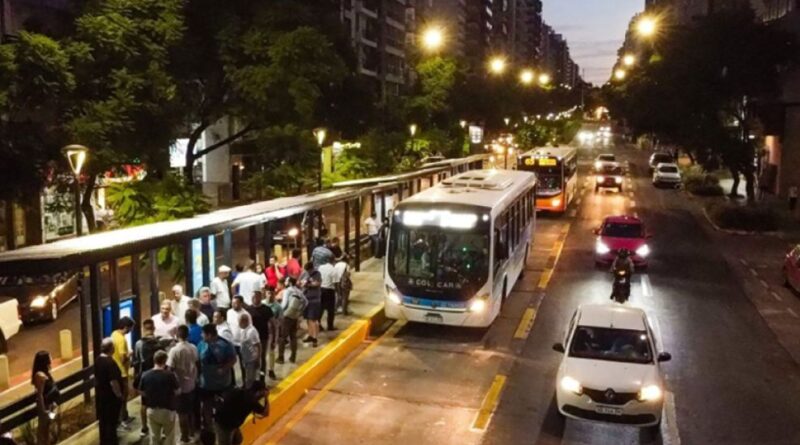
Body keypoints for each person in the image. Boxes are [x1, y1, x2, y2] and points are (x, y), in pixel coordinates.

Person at [197, 324, 237, 433]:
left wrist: (224, 369)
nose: (201, 335)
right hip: (206, 383)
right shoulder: (201, 344)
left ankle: (222, 424)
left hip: (222, 382)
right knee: (206, 404)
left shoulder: (225, 344)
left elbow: (233, 359)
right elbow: (197, 360)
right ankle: (208, 426)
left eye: (203, 334)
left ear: (209, 335)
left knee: (223, 404)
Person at [167, 325, 199, 444]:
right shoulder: (193, 348)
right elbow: (197, 363)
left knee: (182, 413)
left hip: (180, 386)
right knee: (191, 410)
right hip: (192, 383)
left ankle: (184, 436)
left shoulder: (174, 350)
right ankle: (192, 432)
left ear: (177, 335)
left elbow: (169, 369)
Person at [139, 351, 179, 445]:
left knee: (154, 437)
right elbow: (177, 391)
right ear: (165, 360)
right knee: (170, 437)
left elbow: (141, 392)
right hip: (167, 410)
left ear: (154, 360)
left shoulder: (145, 374)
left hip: (152, 409)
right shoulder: (170, 375)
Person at [213, 381, 269, 445]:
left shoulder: (245, 392)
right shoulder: (251, 401)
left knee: (238, 439)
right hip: (224, 424)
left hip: (229, 420)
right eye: (263, 392)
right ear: (259, 392)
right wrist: (266, 398)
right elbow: (265, 413)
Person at [133, 319, 163, 438]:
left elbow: (136, 361)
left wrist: (137, 377)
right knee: (159, 402)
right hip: (159, 375)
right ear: (154, 328)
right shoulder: (159, 342)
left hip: (144, 376)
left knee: (144, 403)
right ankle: (160, 429)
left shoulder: (139, 344)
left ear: (144, 329)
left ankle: (144, 427)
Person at [96, 338, 124, 445]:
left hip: (101, 397)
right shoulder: (110, 363)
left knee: (103, 421)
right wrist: (119, 395)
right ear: (111, 348)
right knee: (111, 422)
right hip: (111, 398)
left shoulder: (98, 360)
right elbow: (113, 382)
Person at [111, 316, 135, 428]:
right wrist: (129, 354)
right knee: (123, 396)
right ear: (126, 327)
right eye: (131, 328)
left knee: (120, 397)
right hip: (122, 371)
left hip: (116, 370)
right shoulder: (121, 339)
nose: (131, 331)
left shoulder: (114, 334)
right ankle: (122, 419)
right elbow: (122, 357)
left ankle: (124, 416)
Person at [31, 351, 58, 445]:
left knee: (48, 431)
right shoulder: (40, 375)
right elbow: (40, 394)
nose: (51, 358)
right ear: (44, 360)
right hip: (45, 407)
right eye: (50, 356)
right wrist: (43, 411)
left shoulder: (46, 372)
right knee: (43, 431)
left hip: (49, 406)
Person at [278, 277, 307, 364]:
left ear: (290, 283)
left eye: (286, 281)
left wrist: (280, 312)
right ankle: (293, 356)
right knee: (293, 336)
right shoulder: (299, 291)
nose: (285, 282)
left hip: (286, 316)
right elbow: (306, 302)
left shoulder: (287, 290)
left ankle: (281, 358)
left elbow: (284, 304)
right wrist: (300, 312)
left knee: (282, 337)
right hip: (294, 316)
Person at [246, 291, 272, 382]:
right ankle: (251, 378)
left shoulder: (267, 309)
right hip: (250, 339)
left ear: (261, 298)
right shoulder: (248, 309)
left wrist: (273, 338)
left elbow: (272, 324)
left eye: (257, 297)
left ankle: (262, 378)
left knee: (261, 357)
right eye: (253, 297)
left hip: (263, 337)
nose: (255, 299)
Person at [300, 261, 322, 347]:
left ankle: (315, 337)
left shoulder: (317, 274)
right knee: (308, 319)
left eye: (309, 270)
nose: (308, 272)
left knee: (313, 319)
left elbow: (317, 283)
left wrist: (308, 284)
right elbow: (299, 282)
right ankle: (310, 334)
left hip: (314, 300)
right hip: (306, 299)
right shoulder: (305, 273)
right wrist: (302, 283)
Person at [238, 312, 261, 389]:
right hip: (246, 358)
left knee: (251, 378)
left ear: (245, 321)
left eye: (240, 322)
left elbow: (257, 345)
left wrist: (257, 359)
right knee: (248, 377)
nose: (238, 324)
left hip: (252, 359)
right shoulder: (243, 330)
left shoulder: (251, 332)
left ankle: (250, 393)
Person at [265, 290, 283, 380]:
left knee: (271, 353)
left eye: (271, 293)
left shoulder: (278, 307)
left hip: (271, 333)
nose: (269, 295)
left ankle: (271, 370)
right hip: (262, 332)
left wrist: (276, 337)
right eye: (268, 293)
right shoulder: (262, 304)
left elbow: (279, 320)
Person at [318, 259, 338, 331]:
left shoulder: (321, 267)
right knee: (331, 310)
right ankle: (330, 326)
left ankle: (318, 324)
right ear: (333, 262)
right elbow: (336, 282)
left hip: (321, 289)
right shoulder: (334, 270)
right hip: (329, 290)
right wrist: (337, 292)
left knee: (321, 308)